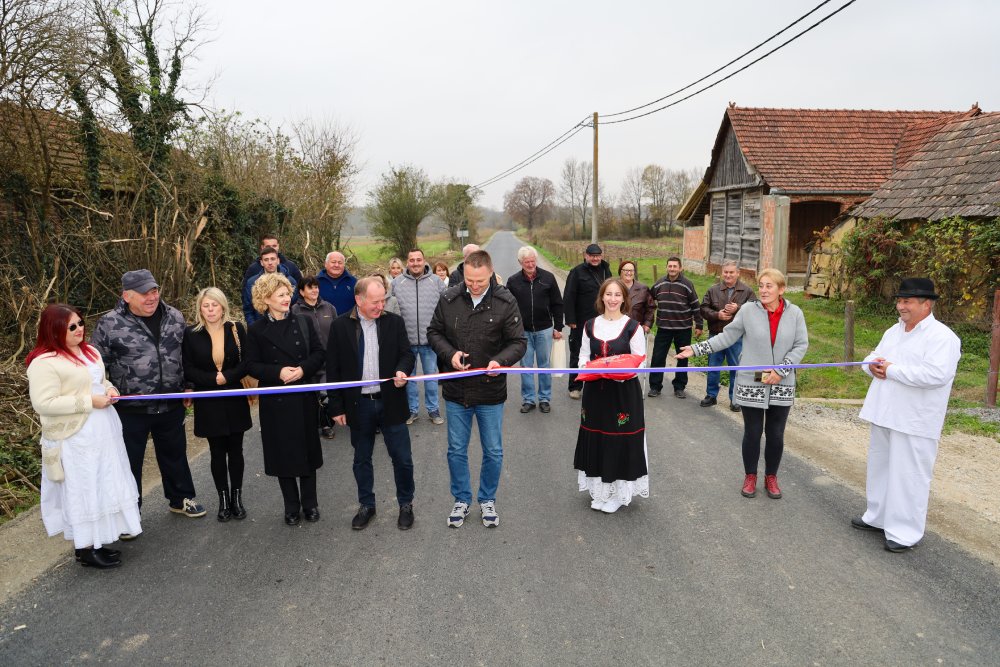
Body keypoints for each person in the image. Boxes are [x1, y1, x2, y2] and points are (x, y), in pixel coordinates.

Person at [27, 304, 142, 569]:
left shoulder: (90, 351)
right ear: (55, 329)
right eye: (72, 326)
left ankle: (96, 541)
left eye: (80, 323)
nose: (79, 329)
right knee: (84, 487)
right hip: (74, 437)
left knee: (103, 482)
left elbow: (99, 381)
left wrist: (110, 389)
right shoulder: (44, 362)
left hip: (103, 430)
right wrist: (89, 401)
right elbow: (44, 403)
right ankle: (86, 549)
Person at [677, 268, 808, 500]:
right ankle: (750, 476)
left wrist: (781, 370)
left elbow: (801, 345)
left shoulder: (795, 313)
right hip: (752, 381)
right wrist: (696, 349)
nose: (763, 290)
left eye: (769, 286)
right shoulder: (748, 310)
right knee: (753, 432)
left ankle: (771, 477)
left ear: (781, 289)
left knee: (776, 434)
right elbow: (727, 337)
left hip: (782, 381)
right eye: (761, 285)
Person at [852, 278, 961, 553]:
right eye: (900, 301)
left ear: (926, 304)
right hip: (884, 412)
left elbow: (936, 375)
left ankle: (904, 532)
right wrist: (871, 366)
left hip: (915, 419)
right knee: (880, 467)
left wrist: (891, 370)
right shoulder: (894, 330)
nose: (901, 306)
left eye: (907, 302)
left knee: (909, 475)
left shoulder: (942, 337)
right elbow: (874, 355)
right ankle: (877, 516)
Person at [91, 269, 205, 521]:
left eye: (154, 291)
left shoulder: (174, 317)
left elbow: (186, 356)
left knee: (175, 454)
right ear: (127, 296)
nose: (152, 297)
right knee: (129, 462)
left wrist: (189, 386)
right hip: (130, 408)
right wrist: (104, 392)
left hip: (170, 402)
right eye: (144, 293)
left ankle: (181, 498)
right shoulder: (109, 324)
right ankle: (130, 513)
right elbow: (96, 367)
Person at [428, 250, 526, 529]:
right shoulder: (449, 298)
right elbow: (434, 332)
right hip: (456, 391)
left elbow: (518, 342)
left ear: (491, 274)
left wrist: (500, 361)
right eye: (469, 280)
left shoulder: (506, 301)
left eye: (480, 281)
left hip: (490, 391)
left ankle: (487, 499)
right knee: (456, 450)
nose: (473, 285)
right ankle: (461, 499)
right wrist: (450, 355)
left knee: (493, 451)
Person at [327, 277, 416, 531]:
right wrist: (336, 406)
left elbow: (407, 354)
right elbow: (333, 368)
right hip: (359, 405)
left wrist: (402, 370)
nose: (380, 306)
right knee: (361, 459)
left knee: (402, 458)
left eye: (383, 301)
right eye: (375, 302)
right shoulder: (340, 326)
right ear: (359, 300)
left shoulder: (394, 322)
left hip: (391, 402)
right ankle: (367, 505)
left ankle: (406, 504)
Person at [245, 273, 326, 526]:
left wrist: (303, 369)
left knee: (307, 452)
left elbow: (319, 353)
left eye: (287, 293)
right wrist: (277, 372)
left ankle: (310, 504)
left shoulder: (303, 321)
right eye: (280, 295)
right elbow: (251, 365)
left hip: (303, 396)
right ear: (266, 299)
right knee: (283, 454)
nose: (286, 298)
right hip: (275, 400)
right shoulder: (256, 330)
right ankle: (291, 506)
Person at [573, 279, 649, 514]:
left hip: (623, 394)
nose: (613, 299)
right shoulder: (590, 325)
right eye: (609, 294)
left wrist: (621, 373)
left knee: (618, 438)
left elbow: (641, 361)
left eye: (617, 295)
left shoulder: (633, 327)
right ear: (602, 297)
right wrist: (588, 369)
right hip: (595, 393)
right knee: (597, 437)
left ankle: (617, 494)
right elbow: (583, 356)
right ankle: (601, 491)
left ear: (624, 298)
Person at [182, 288, 253, 522]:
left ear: (223, 307)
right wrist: (212, 379)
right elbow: (188, 367)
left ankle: (237, 498)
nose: (211, 310)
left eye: (215, 305)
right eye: (206, 306)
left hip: (234, 396)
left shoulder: (236, 328)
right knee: (217, 452)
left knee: (236, 451)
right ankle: (223, 500)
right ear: (200, 309)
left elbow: (247, 362)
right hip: (209, 399)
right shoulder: (191, 334)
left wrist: (228, 377)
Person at [506, 245, 564, 414]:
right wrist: (511, 329)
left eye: (533, 261)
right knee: (526, 366)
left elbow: (557, 304)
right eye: (527, 262)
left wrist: (558, 326)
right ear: (520, 262)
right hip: (522, 331)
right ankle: (529, 399)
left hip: (544, 329)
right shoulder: (513, 281)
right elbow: (508, 307)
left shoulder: (548, 278)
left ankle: (544, 398)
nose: (531, 265)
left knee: (544, 365)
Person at [393, 248, 446, 425]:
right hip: (405, 342)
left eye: (418, 259)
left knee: (431, 377)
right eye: (412, 260)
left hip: (430, 340)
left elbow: (446, 306)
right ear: (407, 262)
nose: (415, 263)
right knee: (409, 379)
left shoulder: (436, 281)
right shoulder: (397, 283)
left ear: (424, 261)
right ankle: (412, 410)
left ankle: (433, 409)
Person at [699, 260, 756, 411]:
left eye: (731, 272)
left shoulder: (747, 291)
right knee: (713, 367)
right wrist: (717, 315)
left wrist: (739, 308)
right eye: (726, 272)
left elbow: (756, 309)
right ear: (722, 272)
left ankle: (735, 399)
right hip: (716, 334)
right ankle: (711, 395)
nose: (728, 275)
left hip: (736, 338)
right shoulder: (713, 290)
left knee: (736, 368)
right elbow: (703, 309)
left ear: (738, 273)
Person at [647, 257, 703, 399]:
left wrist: (699, 324)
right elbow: (649, 299)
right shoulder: (659, 283)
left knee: (682, 358)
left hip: (683, 328)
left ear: (680, 268)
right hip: (663, 327)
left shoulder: (687, 284)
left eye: (675, 266)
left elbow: (696, 305)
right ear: (666, 267)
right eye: (670, 266)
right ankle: (655, 386)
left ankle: (679, 387)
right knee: (658, 357)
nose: (672, 269)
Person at [563, 243, 613, 399]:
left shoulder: (606, 270)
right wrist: (570, 319)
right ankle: (575, 386)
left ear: (601, 256)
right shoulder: (577, 272)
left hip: (603, 321)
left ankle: (598, 385)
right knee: (577, 353)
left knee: (601, 353)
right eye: (592, 256)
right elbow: (569, 296)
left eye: (598, 255)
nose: (595, 258)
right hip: (581, 322)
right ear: (586, 256)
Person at [292, 275, 338, 440]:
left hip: (328, 360)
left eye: (316, 287)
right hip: (307, 361)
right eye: (310, 287)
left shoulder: (329, 308)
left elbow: (337, 332)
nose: (314, 290)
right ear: (301, 291)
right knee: (311, 396)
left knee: (325, 395)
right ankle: (311, 424)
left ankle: (326, 425)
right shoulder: (294, 311)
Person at [243, 246, 297, 325]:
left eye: (272, 259)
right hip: (260, 326)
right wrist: (254, 327)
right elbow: (248, 309)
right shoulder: (252, 282)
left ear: (278, 260)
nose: (270, 263)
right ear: (261, 262)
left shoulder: (290, 281)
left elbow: (295, 305)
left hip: (286, 325)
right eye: (266, 260)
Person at [317, 250, 358, 317]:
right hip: (323, 321)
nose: (336, 265)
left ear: (344, 265)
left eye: (340, 263)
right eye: (333, 262)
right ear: (326, 264)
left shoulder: (354, 282)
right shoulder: (315, 282)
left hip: (347, 321)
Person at [618, 260, 655, 334]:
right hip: (617, 328)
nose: (629, 273)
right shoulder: (613, 287)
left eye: (631, 270)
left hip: (636, 328)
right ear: (620, 272)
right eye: (626, 270)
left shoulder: (643, 289)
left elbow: (650, 308)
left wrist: (647, 324)